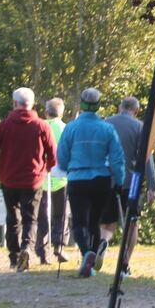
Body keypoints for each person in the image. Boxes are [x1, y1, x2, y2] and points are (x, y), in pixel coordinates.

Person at [0, 87, 57, 272]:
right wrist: (47, 168)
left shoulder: (4, 125)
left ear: (15, 104)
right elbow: (53, 154)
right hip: (33, 179)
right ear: (32, 104)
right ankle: (27, 248)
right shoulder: (41, 126)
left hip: (9, 178)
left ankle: (14, 256)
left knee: (12, 217)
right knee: (30, 218)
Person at [56, 87, 125, 278]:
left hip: (78, 179)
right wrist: (119, 180)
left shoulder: (71, 127)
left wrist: (67, 166)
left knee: (79, 222)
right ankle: (91, 261)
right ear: (98, 105)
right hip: (101, 180)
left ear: (82, 104)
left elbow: (61, 157)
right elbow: (117, 159)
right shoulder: (107, 128)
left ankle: (86, 252)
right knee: (95, 221)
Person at [101, 97, 155, 266]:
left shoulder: (106, 124)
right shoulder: (140, 127)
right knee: (132, 222)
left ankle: (102, 248)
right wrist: (151, 185)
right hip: (131, 181)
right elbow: (146, 157)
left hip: (109, 179)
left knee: (106, 222)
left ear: (120, 108)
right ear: (136, 110)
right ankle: (124, 262)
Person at [37, 98, 71, 263]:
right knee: (61, 214)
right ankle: (59, 245)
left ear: (46, 111)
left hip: (41, 178)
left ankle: (42, 252)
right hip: (61, 177)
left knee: (42, 216)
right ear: (62, 112)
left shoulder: (39, 127)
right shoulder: (65, 128)